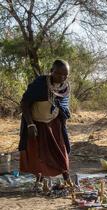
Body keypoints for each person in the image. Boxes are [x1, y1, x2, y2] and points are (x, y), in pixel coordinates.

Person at [18, 59, 72, 193]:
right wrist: (30, 124)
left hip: (55, 123)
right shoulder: (40, 84)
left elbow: (63, 107)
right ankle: (39, 181)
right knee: (39, 153)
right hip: (37, 123)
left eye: (65, 75)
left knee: (61, 150)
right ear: (51, 71)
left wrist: (63, 127)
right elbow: (25, 103)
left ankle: (67, 179)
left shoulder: (64, 88)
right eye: (59, 74)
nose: (62, 77)